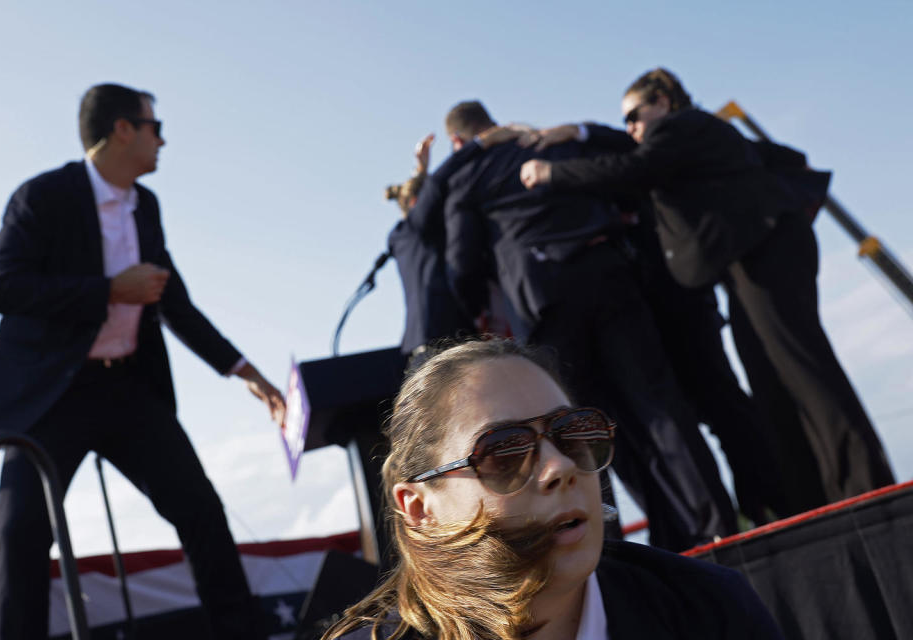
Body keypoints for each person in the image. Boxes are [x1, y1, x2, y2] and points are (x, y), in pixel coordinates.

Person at [0, 83, 284, 640]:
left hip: (127, 393)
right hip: (51, 395)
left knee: (200, 510)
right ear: (123, 129)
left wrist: (245, 372)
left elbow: (173, 302)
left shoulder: (147, 206)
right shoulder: (42, 196)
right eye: (155, 126)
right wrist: (108, 290)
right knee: (20, 531)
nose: (163, 140)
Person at [518, 68, 895, 510]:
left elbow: (636, 166)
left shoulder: (684, 126)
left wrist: (551, 173)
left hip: (768, 253)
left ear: (662, 102)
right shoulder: (683, 135)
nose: (631, 128)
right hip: (747, 260)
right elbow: (637, 150)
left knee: (801, 368)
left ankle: (867, 488)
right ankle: (815, 494)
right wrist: (580, 131)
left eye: (635, 116)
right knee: (768, 377)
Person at [323, 338, 784, 640]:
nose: (560, 467)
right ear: (420, 508)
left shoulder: (708, 610)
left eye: (573, 432)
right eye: (503, 451)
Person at [440, 101, 737, 550]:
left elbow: (460, 262)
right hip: (610, 277)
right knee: (658, 406)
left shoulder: (469, 171)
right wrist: (577, 131)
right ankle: (718, 528)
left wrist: (476, 308)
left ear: (457, 142)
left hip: (545, 304)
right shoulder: (545, 143)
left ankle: (608, 552)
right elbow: (622, 163)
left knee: (575, 431)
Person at [385, 133, 475, 360]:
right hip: (440, 342)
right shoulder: (412, 230)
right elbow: (435, 186)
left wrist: (421, 171)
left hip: (426, 344)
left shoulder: (401, 237)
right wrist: (478, 144)